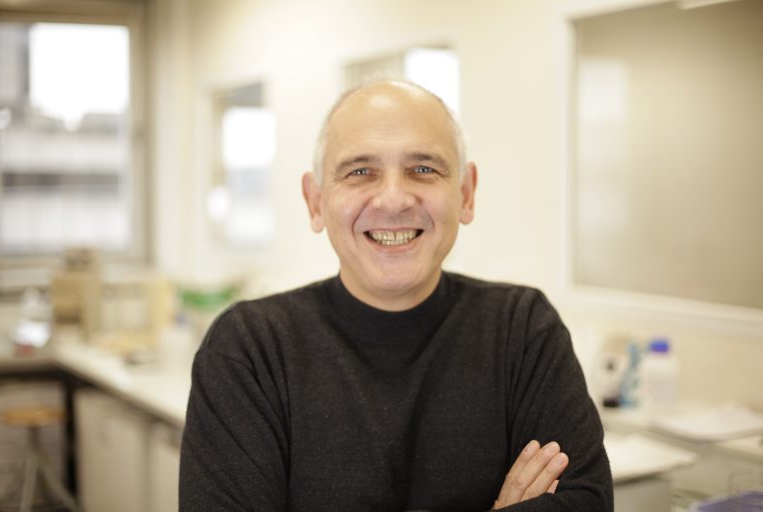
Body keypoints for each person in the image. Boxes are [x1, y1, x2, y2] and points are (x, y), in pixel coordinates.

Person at [179, 79, 613, 511]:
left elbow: (586, 503)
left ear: (465, 194)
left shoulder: (521, 329)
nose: (393, 199)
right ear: (315, 202)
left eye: (423, 169)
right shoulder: (251, 349)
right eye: (360, 172)